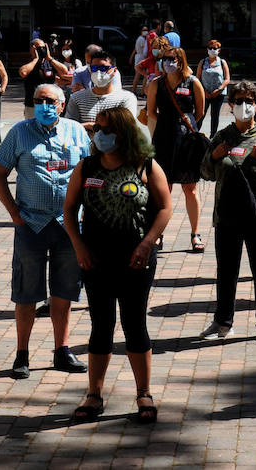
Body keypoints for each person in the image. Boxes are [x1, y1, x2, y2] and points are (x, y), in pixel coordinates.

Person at [64, 106, 172, 424]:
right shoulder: (86, 167)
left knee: (135, 324)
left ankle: (144, 393)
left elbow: (165, 207)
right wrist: (79, 247)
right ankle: (94, 395)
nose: (101, 135)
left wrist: (147, 243)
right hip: (95, 259)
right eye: (98, 129)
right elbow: (69, 210)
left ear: (123, 133)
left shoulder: (145, 166)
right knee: (101, 325)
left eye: (107, 130)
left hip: (136, 259)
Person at [0, 84, 92, 380]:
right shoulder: (20, 132)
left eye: (50, 101)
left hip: (68, 225)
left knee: (64, 290)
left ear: (62, 105)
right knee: (26, 292)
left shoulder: (76, 132)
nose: (44, 105)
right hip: (31, 224)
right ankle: (22, 354)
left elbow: (90, 173)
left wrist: (86, 212)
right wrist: (14, 214)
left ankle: (62, 350)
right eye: (39, 100)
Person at [200, 80, 256, 342]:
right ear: (230, 105)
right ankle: (223, 322)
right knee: (226, 271)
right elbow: (205, 173)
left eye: (249, 101)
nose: (243, 106)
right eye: (238, 101)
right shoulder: (223, 136)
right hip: (227, 214)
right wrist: (215, 156)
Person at [145, 44, 207, 252]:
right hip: (163, 139)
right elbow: (151, 111)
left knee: (190, 187)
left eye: (173, 59)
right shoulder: (157, 84)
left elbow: (199, 112)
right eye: (165, 59)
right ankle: (157, 234)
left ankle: (195, 233)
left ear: (181, 61)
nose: (168, 62)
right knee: (163, 187)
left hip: (187, 139)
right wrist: (166, 125)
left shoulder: (193, 82)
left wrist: (185, 125)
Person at [66, 49, 138, 128]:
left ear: (114, 71)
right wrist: (88, 126)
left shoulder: (126, 98)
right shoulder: (76, 98)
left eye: (104, 68)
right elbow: (69, 128)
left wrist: (93, 127)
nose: (99, 72)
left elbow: (127, 128)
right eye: (94, 68)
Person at [19, 38, 67, 119]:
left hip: (51, 103)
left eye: (43, 48)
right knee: (32, 129)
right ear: (32, 49)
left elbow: (64, 71)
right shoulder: (29, 63)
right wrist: (35, 59)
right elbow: (23, 73)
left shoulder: (50, 62)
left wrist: (49, 58)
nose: (41, 50)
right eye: (38, 48)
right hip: (33, 105)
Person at [198, 39, 231, 135]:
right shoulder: (203, 62)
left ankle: (213, 136)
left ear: (219, 50)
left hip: (218, 93)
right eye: (210, 48)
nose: (212, 50)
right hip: (205, 93)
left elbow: (227, 78)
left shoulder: (222, 62)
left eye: (215, 48)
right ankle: (194, 133)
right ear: (207, 49)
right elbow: (198, 78)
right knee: (201, 114)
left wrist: (219, 89)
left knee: (215, 115)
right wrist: (203, 91)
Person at [131, 25, 152, 93]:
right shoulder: (141, 39)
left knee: (140, 75)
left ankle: (139, 91)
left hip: (139, 57)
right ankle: (135, 91)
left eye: (146, 30)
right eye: (144, 30)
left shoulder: (142, 38)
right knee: (138, 75)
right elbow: (145, 50)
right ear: (141, 31)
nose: (145, 32)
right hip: (140, 57)